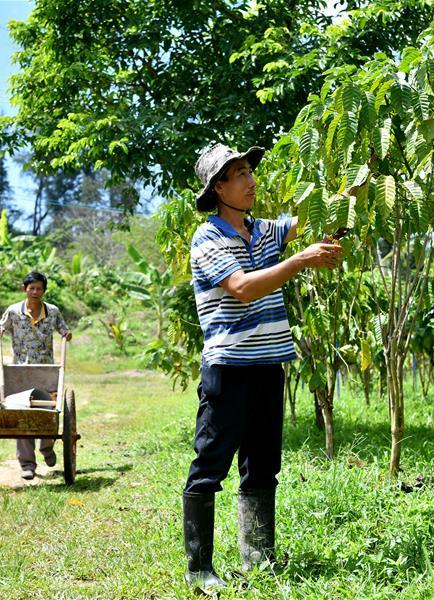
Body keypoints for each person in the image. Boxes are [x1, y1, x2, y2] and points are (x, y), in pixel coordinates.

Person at [182, 143, 343, 590]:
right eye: (239, 175)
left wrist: (356, 180)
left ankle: (258, 558)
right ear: (219, 187)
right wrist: (300, 260)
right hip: (229, 368)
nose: (251, 181)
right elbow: (242, 288)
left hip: (269, 364)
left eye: (251, 171)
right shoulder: (208, 238)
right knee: (210, 465)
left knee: (262, 465)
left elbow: (309, 217)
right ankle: (200, 569)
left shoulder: (265, 231)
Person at [0, 271, 72, 480]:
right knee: (23, 415)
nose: (35, 292)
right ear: (25, 289)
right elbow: (0, 328)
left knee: (47, 413)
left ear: (44, 290)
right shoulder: (14, 311)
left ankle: (47, 448)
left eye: (39, 288)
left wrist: (67, 335)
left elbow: (64, 330)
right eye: (31, 288)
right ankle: (27, 464)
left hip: (46, 371)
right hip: (20, 371)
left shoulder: (53, 312)